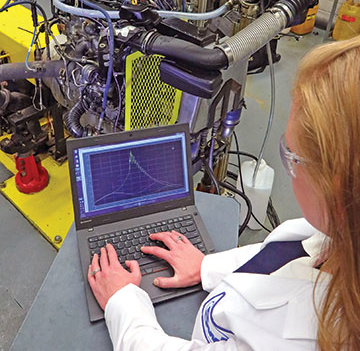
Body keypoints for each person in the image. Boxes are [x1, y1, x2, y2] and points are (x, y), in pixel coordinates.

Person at [88, 36, 360, 350]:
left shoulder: (310, 340)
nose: (288, 161)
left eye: (291, 155)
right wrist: (206, 267)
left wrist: (122, 303)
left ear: (338, 189)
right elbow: (281, 255)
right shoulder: (338, 232)